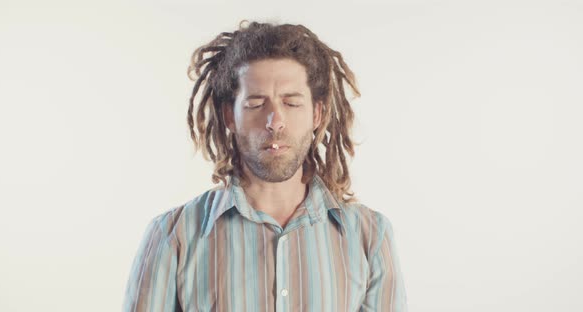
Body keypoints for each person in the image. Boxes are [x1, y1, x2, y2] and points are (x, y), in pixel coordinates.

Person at [123, 20, 408, 312]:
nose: (275, 121)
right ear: (229, 117)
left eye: (292, 103)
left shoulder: (370, 237)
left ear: (317, 115)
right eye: (256, 104)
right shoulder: (173, 237)